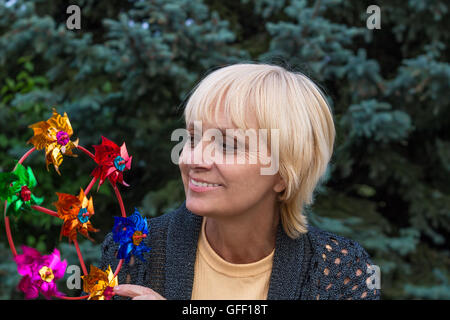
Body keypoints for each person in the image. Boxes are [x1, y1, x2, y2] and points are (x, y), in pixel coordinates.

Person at [104, 63, 380, 300]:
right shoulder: (130, 252)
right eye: (192, 138)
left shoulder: (339, 271)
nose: (192, 159)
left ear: (283, 174)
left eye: (227, 144)